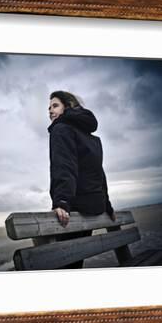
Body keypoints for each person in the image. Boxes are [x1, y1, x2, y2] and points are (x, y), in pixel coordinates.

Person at [46, 90, 116, 268]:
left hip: (76, 207)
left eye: (55, 105)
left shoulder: (61, 129)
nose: (50, 111)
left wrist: (61, 201)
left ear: (68, 107)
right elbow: (99, 173)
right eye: (48, 108)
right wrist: (107, 204)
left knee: (64, 266)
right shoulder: (90, 138)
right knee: (75, 263)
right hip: (93, 204)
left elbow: (64, 166)